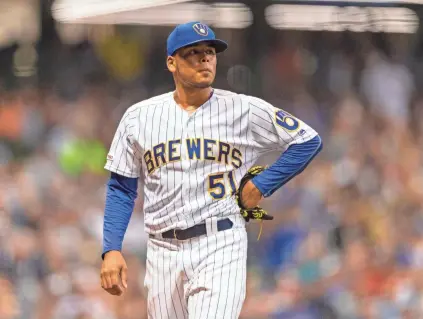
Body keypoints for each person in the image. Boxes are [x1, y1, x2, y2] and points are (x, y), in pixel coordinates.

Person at [100, 21, 322, 319]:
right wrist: (111, 248)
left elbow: (308, 140)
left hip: (220, 241)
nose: (205, 58)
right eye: (193, 52)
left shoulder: (243, 109)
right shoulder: (139, 117)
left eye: (210, 51)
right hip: (162, 250)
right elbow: (121, 187)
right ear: (171, 62)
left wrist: (263, 184)